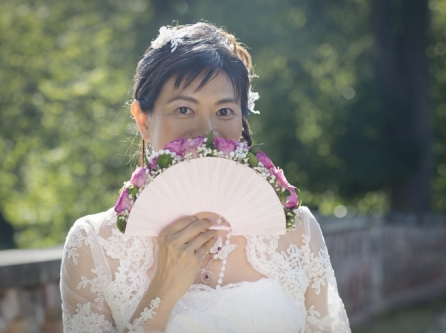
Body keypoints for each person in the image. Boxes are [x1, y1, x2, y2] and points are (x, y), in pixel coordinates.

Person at [60, 22, 351, 333]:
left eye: (224, 112)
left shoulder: (297, 229)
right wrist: (163, 289)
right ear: (143, 120)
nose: (206, 132)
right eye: (184, 109)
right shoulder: (93, 244)